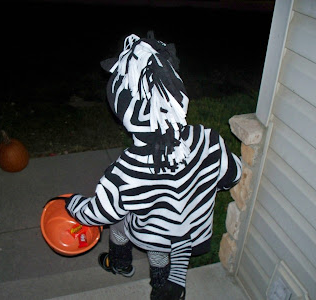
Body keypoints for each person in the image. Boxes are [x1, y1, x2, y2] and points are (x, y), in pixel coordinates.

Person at [64, 33, 242, 300]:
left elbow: (100, 213)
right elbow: (233, 174)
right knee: (171, 237)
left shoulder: (127, 171)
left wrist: (72, 204)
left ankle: (121, 264)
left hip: (155, 231)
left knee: (124, 226)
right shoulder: (208, 139)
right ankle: (167, 286)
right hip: (191, 224)